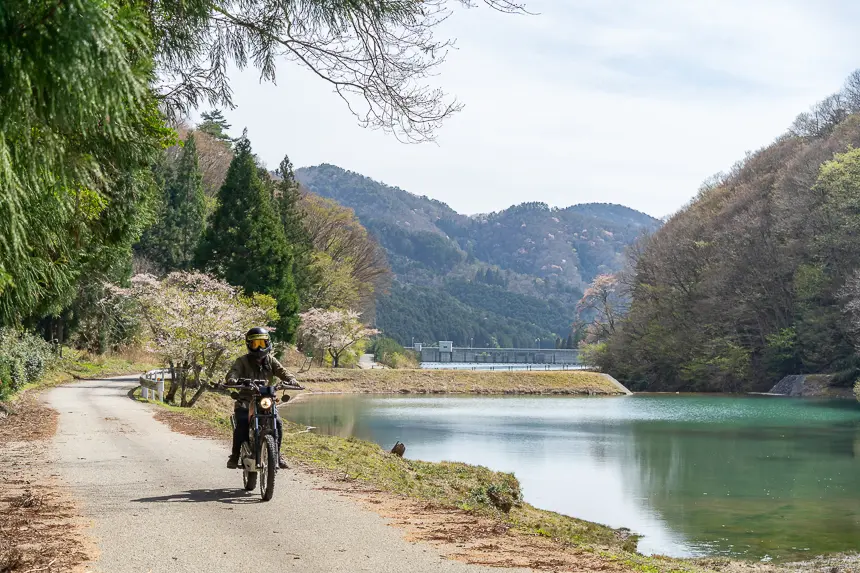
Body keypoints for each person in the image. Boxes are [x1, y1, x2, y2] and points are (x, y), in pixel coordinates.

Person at [225, 327, 296, 470]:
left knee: (278, 422)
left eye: (262, 344)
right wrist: (233, 380)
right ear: (249, 345)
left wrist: (292, 380)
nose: (259, 348)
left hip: (265, 400)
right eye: (255, 344)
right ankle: (234, 456)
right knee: (243, 423)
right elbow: (232, 373)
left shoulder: (271, 361)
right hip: (246, 400)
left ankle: (277, 455)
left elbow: (284, 373)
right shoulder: (242, 361)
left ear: (268, 344)